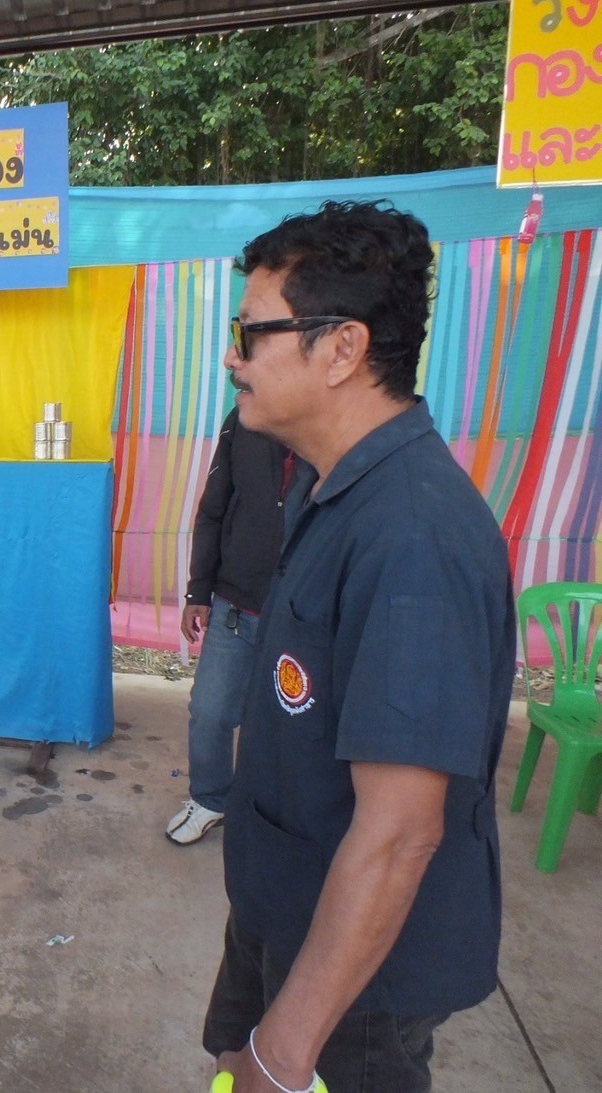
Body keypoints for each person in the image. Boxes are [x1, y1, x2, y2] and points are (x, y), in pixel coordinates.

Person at [203, 201, 515, 1093]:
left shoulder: (412, 536)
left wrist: (283, 1052)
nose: (233, 358)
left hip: (355, 984)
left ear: (340, 348)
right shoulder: (332, 485)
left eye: (251, 333)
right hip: (285, 906)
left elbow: (399, 832)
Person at [166, 406, 294, 845]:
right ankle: (209, 799)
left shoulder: (335, 420)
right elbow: (213, 508)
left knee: (287, 723)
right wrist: (198, 592)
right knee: (210, 711)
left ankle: (274, 815)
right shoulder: (243, 420)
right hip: (236, 602)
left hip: (301, 614)